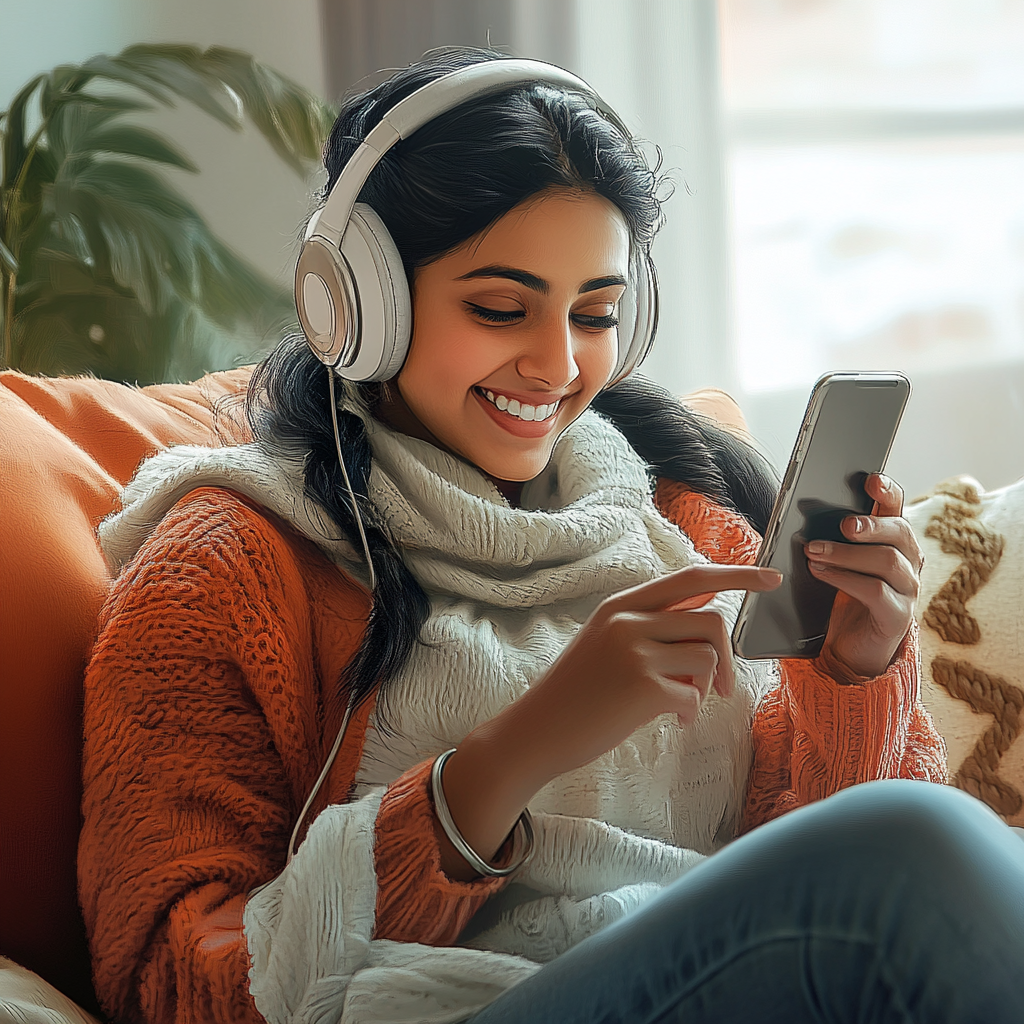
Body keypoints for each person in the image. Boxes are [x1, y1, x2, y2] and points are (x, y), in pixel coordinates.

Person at [80, 47, 1024, 1024]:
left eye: (597, 313)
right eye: (499, 308)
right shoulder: (225, 567)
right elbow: (166, 989)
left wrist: (854, 676)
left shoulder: (681, 514)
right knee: (909, 848)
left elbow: (829, 894)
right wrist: (512, 756)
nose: (556, 363)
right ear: (358, 303)